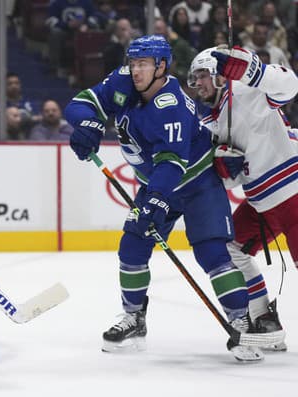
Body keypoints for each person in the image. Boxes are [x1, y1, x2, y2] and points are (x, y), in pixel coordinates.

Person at [64, 35, 268, 361]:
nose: (135, 71)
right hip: (157, 181)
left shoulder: (170, 105)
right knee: (132, 245)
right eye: (133, 63)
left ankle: (240, 321)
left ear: (161, 66)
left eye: (143, 64)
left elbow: (171, 164)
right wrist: (86, 124)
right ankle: (134, 318)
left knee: (212, 253)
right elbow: (80, 103)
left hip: (197, 182)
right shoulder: (122, 82)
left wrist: (154, 202)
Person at [188, 45, 298, 350]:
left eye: (202, 75)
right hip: (261, 203)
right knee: (228, 248)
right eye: (194, 78)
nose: (198, 84)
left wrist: (254, 70)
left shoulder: (248, 92)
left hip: (293, 194)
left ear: (219, 73)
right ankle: (263, 319)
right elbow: (234, 177)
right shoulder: (211, 122)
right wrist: (225, 169)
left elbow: (291, 85)